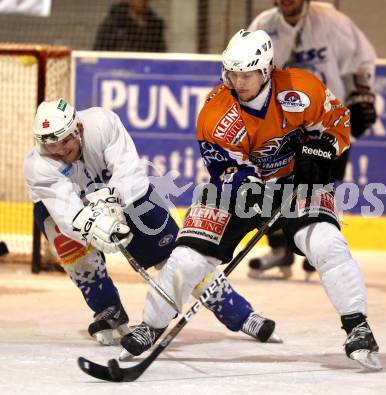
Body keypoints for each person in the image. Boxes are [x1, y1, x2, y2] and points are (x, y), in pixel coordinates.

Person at [120, 29, 381, 370]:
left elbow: (338, 122)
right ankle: (151, 326)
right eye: (233, 74)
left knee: (328, 244)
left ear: (267, 70)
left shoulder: (302, 88)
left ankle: (357, 326)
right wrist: (259, 192)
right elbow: (228, 173)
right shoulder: (216, 113)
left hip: (294, 184)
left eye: (247, 74)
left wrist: (323, 150)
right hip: (238, 190)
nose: (239, 82)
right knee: (185, 258)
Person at [23, 98, 281, 352]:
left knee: (179, 259)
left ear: (78, 129)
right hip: (72, 210)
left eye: (65, 141)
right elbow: (66, 212)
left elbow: (128, 172)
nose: (59, 150)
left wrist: (111, 204)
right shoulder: (38, 165)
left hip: (129, 196)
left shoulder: (102, 123)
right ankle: (107, 309)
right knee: (80, 260)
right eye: (51, 145)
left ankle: (239, 313)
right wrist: (95, 225)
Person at [247, 0, 377, 279]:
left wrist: (362, 96)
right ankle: (280, 250)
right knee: (272, 186)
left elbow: (362, 59)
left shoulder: (331, 21)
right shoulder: (263, 26)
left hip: (327, 121)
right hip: (283, 124)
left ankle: (315, 250)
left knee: (320, 187)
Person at [93, 0, 166, 52]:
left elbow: (160, 53)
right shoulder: (113, 22)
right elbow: (99, 51)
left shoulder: (155, 25)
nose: (140, 1)